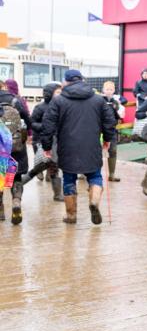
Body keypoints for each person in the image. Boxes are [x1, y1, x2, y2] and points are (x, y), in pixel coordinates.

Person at [40, 69, 116, 225]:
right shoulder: (98, 100)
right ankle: (94, 201)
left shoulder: (58, 100)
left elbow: (48, 125)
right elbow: (110, 121)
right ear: (82, 80)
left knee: (69, 179)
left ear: (66, 82)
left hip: (67, 147)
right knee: (95, 176)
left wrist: (46, 146)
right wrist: (108, 139)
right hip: (92, 146)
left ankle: (71, 215)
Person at [23, 82, 63, 201]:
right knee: (41, 167)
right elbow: (31, 123)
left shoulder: (61, 106)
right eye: (57, 92)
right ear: (49, 93)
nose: (60, 95)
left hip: (55, 142)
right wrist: (45, 127)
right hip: (42, 141)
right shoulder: (40, 107)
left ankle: (57, 194)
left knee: (53, 166)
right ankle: (18, 185)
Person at [0, 80, 32, 224]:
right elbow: (27, 119)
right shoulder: (15, 100)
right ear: (4, 87)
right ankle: (16, 202)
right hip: (15, 145)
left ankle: (1, 211)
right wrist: (29, 134)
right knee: (15, 176)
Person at [101, 81, 126, 182]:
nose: (109, 91)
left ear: (114, 90)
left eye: (111, 89)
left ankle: (112, 174)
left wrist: (118, 110)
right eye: (107, 89)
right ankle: (90, 174)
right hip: (99, 129)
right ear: (103, 90)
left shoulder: (116, 102)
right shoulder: (99, 100)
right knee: (95, 151)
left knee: (113, 151)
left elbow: (120, 115)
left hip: (112, 129)